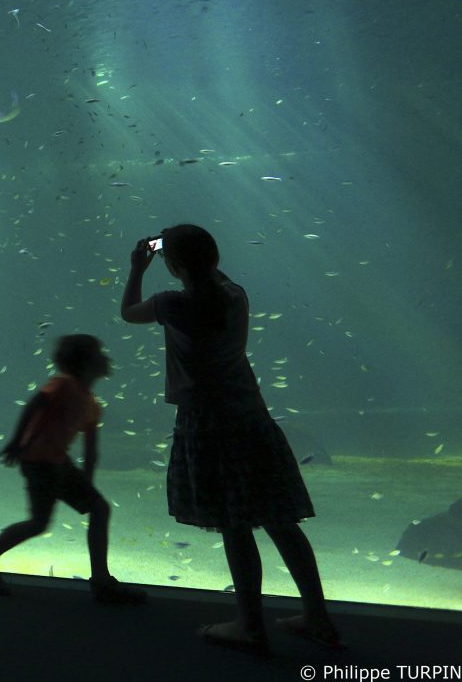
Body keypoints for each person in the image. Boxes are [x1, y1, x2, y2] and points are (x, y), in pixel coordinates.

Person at [122, 224, 339, 654]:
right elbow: (208, 274)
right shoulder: (234, 293)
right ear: (216, 258)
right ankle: (318, 616)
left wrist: (137, 267)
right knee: (281, 520)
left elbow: (129, 311)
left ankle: (251, 625)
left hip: (207, 423)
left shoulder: (171, 303)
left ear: (173, 265)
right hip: (251, 415)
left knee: (234, 526)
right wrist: (182, 253)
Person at [0, 334, 144, 603]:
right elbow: (35, 402)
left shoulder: (92, 404)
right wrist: (17, 442)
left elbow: (90, 451)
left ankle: (101, 580)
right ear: (85, 363)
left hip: (59, 464)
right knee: (39, 523)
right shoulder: (63, 384)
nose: (107, 358)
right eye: (100, 353)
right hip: (39, 462)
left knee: (99, 508)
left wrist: (87, 485)